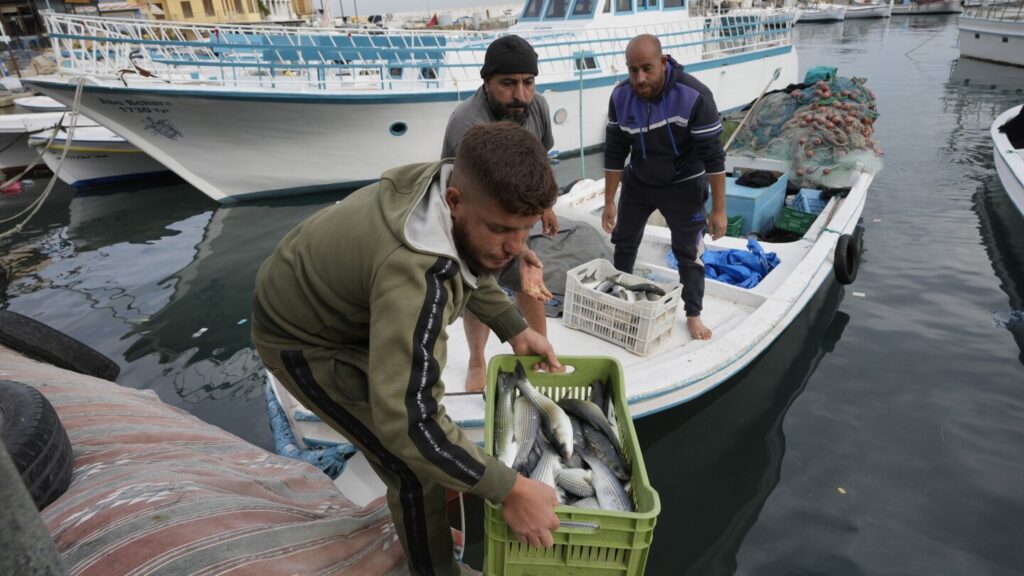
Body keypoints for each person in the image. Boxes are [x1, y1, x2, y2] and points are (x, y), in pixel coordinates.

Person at [252, 123, 562, 576]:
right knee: (413, 468)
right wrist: (509, 489)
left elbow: (471, 261)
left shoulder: (446, 184)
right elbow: (410, 423)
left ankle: (428, 538)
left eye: (524, 230)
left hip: (347, 303)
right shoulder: (414, 276)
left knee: (430, 447)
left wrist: (514, 328)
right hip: (302, 337)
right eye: (501, 229)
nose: (515, 248)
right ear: (455, 202)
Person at [442, 34, 558, 392]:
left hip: (521, 207)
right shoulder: (467, 124)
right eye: (508, 84)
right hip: (476, 213)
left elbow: (543, 159)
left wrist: (547, 206)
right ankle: (478, 360)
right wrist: (518, 247)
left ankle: (540, 350)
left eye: (528, 82)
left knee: (531, 280)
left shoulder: (535, 106)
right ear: (487, 82)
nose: (520, 95)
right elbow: (478, 202)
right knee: (481, 283)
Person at [601, 33, 728, 341]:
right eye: (633, 70)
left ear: (663, 61)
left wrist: (719, 210)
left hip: (683, 183)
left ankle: (693, 314)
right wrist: (609, 201)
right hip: (639, 180)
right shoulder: (620, 96)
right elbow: (616, 151)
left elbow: (714, 157)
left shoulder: (694, 96)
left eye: (647, 68)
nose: (639, 78)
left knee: (688, 251)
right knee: (624, 241)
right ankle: (623, 297)